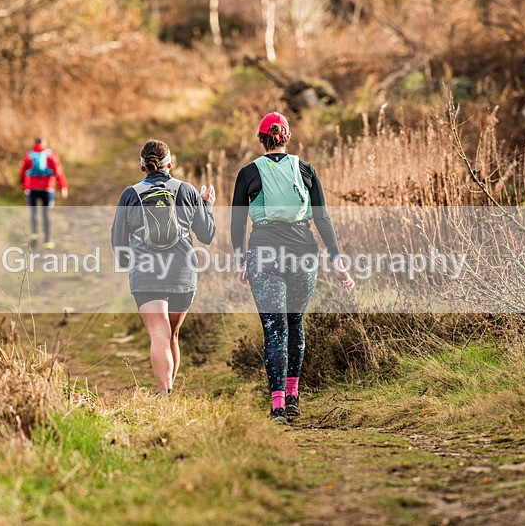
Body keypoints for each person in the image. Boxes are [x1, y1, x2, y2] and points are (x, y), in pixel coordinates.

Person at [231, 111, 354, 424]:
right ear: (286, 138)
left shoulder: (248, 172)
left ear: (261, 140)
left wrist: (241, 260)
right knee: (295, 322)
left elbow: (235, 223)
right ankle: (293, 395)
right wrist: (337, 259)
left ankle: (277, 406)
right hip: (303, 256)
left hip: (264, 255)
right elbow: (322, 218)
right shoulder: (306, 169)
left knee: (275, 328)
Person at [111, 139, 216, 397]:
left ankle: (164, 393)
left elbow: (117, 239)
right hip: (182, 271)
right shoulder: (188, 191)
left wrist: (128, 264)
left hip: (146, 272)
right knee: (172, 336)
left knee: (159, 333)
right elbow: (208, 235)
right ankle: (168, 393)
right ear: (170, 164)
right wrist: (207, 205)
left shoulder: (130, 194)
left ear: (142, 167)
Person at [19, 136, 68, 249]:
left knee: (34, 214)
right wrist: (63, 187)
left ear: (35, 143)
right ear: (44, 143)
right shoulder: (51, 155)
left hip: (32, 189)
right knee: (46, 215)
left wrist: (23, 185)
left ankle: (35, 237)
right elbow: (58, 171)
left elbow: (22, 173)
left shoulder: (29, 156)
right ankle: (47, 240)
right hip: (47, 189)